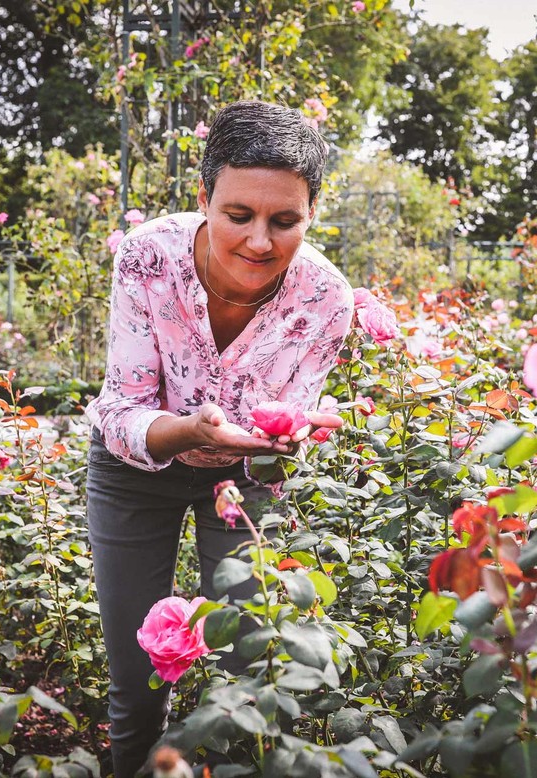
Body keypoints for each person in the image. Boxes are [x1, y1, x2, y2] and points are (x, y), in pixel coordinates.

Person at [84, 100, 354, 778]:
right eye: (239, 215)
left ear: (311, 214)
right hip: (134, 466)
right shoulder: (151, 256)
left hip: (248, 478)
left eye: (285, 220)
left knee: (246, 667)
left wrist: (285, 438)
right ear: (205, 198)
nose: (260, 241)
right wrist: (192, 431)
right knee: (141, 673)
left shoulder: (326, 298)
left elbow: (289, 422)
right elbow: (122, 410)